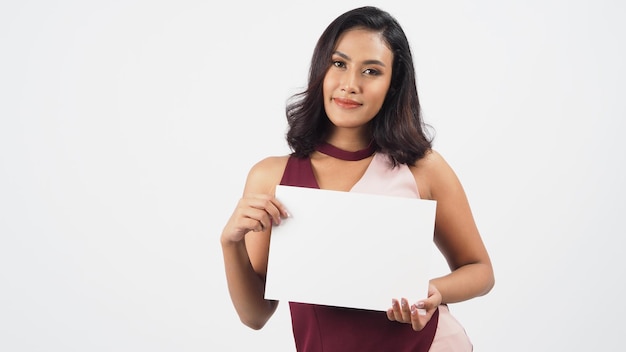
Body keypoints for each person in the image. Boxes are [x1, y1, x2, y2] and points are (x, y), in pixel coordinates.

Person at [220, 6, 494, 351]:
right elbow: (255, 316)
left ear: (393, 85)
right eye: (339, 64)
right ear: (321, 69)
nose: (350, 84)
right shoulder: (271, 177)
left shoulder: (423, 167)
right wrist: (230, 244)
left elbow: (480, 270)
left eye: (371, 71)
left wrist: (434, 290)